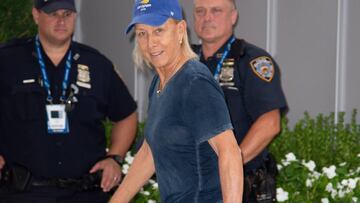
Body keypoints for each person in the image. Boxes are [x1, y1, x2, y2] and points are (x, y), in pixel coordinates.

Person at [0, 0, 137, 202]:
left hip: (85, 193)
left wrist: (114, 158)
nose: (61, 20)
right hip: (22, 193)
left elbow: (126, 116)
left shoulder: (96, 64)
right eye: (53, 14)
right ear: (36, 15)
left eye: (67, 14)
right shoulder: (8, 60)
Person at [110, 0, 243, 202]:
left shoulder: (194, 82)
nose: (151, 42)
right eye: (142, 33)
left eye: (159, 31)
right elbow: (149, 152)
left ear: (180, 30)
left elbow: (229, 152)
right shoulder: (159, 83)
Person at [192, 0, 288, 202]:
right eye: (200, 11)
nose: (207, 17)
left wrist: (229, 167)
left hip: (242, 184)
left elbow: (270, 123)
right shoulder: (185, 62)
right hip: (193, 184)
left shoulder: (252, 60)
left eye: (216, 11)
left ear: (233, 16)